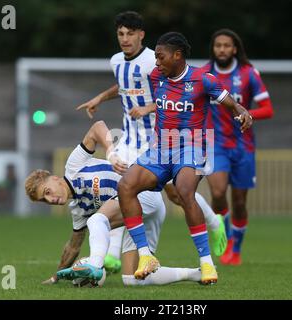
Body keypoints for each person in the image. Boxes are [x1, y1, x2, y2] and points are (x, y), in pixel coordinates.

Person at [76, 11, 227, 258]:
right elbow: (124, 86)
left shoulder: (153, 61)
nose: (125, 39)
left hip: (163, 138)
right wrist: (100, 97)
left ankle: (214, 223)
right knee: (121, 191)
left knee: (179, 194)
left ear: (141, 35)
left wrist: (149, 107)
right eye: (121, 34)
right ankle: (113, 255)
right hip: (129, 139)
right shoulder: (115, 61)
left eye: (130, 34)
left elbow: (177, 93)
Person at [117, 32, 253, 285]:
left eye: (161, 57)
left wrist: (242, 111)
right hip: (160, 148)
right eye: (155, 57)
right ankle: (145, 256)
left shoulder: (202, 79)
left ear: (177, 55)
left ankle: (206, 263)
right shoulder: (157, 76)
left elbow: (230, 103)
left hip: (191, 147)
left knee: (184, 191)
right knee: (125, 186)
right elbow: (127, 89)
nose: (157, 63)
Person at [25, 121, 201, 286]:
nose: (50, 200)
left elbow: (97, 127)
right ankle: (194, 274)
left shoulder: (73, 166)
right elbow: (73, 246)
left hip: (144, 193)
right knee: (132, 279)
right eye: (44, 200)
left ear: (55, 179)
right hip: (145, 212)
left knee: (95, 220)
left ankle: (94, 265)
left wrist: (111, 153)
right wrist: (57, 276)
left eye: (47, 192)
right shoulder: (78, 210)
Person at [204, 29, 274, 265]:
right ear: (213, 49)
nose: (221, 49)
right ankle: (222, 236)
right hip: (215, 144)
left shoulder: (248, 74)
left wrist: (245, 112)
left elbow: (268, 109)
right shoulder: (205, 73)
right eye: (218, 45)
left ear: (235, 49)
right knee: (217, 192)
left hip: (244, 145)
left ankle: (236, 247)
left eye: (226, 45)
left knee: (240, 202)